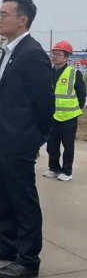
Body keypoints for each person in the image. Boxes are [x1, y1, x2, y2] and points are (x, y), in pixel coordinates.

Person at [0, 0, 54, 278]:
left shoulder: (32, 53)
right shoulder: (7, 51)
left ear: (22, 20)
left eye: (4, 14)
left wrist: (35, 138)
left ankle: (28, 259)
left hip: (18, 140)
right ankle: (7, 245)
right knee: (3, 196)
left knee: (22, 200)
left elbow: (45, 104)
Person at [44, 40, 85, 181]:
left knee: (68, 146)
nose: (54, 57)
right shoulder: (48, 73)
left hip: (69, 116)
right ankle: (54, 168)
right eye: (53, 54)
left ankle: (67, 171)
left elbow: (81, 94)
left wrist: (76, 110)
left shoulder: (74, 73)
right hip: (53, 116)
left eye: (58, 54)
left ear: (66, 57)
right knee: (52, 145)